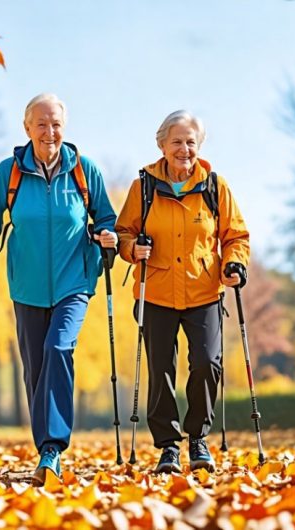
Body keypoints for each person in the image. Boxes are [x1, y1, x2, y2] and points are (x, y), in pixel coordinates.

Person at [0, 93, 118, 485]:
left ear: (63, 128)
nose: (49, 132)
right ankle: (44, 447)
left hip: (75, 281)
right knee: (35, 368)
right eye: (41, 124)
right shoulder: (10, 172)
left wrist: (107, 235)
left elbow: (106, 216)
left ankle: (52, 449)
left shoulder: (83, 171)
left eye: (55, 124)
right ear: (27, 128)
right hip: (27, 285)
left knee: (58, 348)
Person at [115, 110, 250, 474]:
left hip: (204, 291)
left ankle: (198, 438)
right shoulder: (142, 187)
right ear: (162, 145)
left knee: (208, 363)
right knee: (160, 371)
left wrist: (233, 265)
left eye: (191, 142)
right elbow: (122, 233)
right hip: (155, 292)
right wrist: (132, 249)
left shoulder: (214, 187)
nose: (184, 149)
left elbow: (235, 236)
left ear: (199, 145)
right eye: (176, 141)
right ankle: (167, 447)